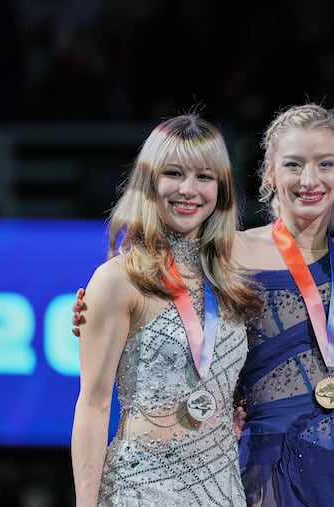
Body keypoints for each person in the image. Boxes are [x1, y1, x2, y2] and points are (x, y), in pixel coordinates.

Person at [70, 113, 263, 506]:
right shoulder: (118, 280)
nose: (189, 190)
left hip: (222, 492)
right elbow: (92, 404)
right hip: (142, 491)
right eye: (174, 173)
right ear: (149, 181)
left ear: (222, 189)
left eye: (205, 177)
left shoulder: (232, 280)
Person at [231, 103, 334, 506]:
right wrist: (97, 304)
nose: (309, 180)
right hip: (268, 468)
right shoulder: (234, 252)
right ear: (269, 171)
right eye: (294, 164)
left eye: (325, 164)